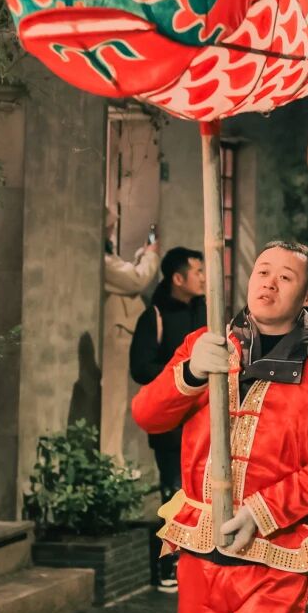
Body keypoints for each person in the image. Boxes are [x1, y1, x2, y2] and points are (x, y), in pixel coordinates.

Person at [130, 240, 308, 613]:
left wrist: (261, 510)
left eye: (285, 277)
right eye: (262, 271)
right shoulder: (208, 344)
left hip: (275, 553)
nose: (269, 284)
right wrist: (191, 372)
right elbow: (147, 414)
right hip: (199, 551)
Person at [129, 246, 207, 592]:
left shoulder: (208, 314)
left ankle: (196, 560)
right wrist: (184, 375)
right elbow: (140, 367)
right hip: (170, 425)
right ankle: (165, 565)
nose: (204, 277)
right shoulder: (155, 317)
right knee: (173, 493)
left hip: (204, 424)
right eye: (198, 272)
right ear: (178, 278)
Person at [102, 207, 158, 461]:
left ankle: (113, 457)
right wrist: (150, 257)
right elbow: (135, 279)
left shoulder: (107, 258)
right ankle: (111, 459)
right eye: (110, 227)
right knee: (113, 400)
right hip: (117, 332)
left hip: (122, 331)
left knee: (118, 400)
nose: (112, 232)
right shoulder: (103, 260)